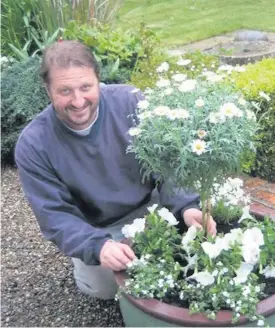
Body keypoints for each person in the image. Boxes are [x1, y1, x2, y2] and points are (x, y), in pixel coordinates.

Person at [15, 40, 217, 300]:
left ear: (98, 80)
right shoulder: (34, 144)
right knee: (108, 288)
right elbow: (54, 215)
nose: (78, 101)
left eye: (86, 87)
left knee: (198, 247)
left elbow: (168, 163)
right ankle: (86, 267)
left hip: (153, 208)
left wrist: (186, 204)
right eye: (65, 91)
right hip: (100, 228)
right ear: (48, 90)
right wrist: (97, 246)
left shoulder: (130, 102)